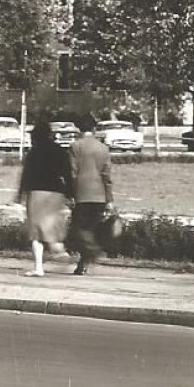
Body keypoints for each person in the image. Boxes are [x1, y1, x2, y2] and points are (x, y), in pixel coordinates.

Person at [17, 120, 73, 277]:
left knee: (36, 233)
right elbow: (68, 174)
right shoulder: (61, 151)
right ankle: (59, 250)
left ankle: (38, 267)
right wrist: (70, 193)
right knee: (52, 226)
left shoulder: (33, 153)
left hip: (36, 193)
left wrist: (20, 194)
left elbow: (26, 175)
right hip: (56, 193)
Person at [67, 112, 114, 275]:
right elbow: (107, 175)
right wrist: (109, 199)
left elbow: (72, 172)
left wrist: (69, 194)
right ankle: (83, 263)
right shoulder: (103, 148)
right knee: (90, 228)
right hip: (99, 194)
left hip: (81, 193)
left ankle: (93, 250)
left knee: (78, 228)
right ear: (94, 128)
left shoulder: (75, 146)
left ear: (78, 128)